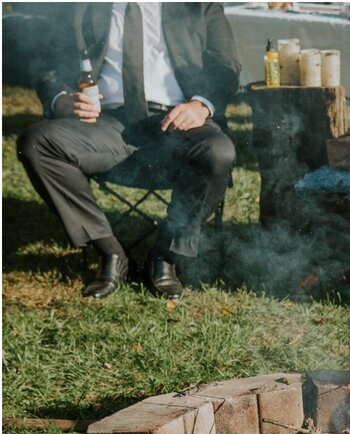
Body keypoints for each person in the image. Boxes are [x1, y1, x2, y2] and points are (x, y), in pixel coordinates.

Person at [16, 3, 240, 300]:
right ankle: (110, 252)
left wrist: (200, 105)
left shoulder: (199, 3)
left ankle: (165, 257)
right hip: (106, 124)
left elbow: (227, 65)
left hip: (178, 121)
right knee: (37, 142)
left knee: (219, 152)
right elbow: (48, 67)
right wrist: (60, 100)